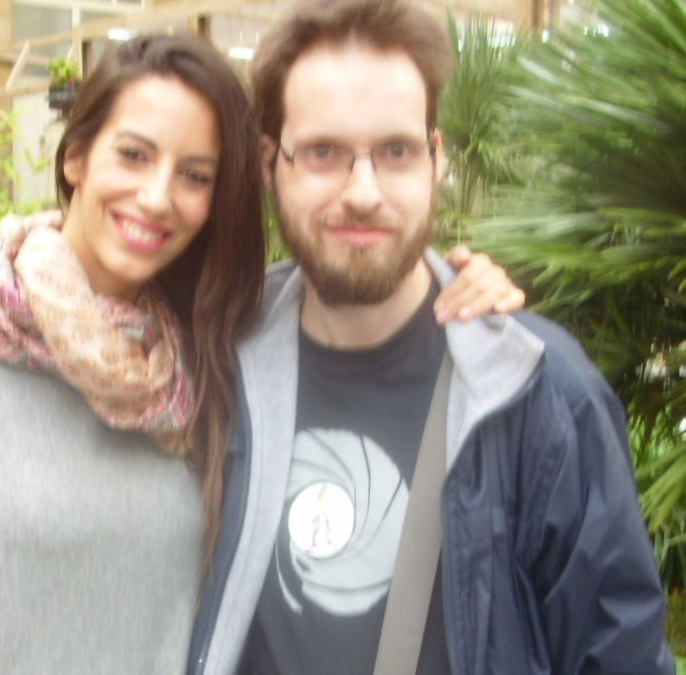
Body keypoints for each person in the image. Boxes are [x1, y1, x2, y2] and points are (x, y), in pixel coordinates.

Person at [0, 31, 520, 674]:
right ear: (75, 157)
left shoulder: (212, 353)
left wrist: (458, 285)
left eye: (195, 175)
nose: (158, 197)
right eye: (133, 155)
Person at [187, 1, 675, 674]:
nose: (363, 192)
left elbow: (617, 654)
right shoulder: (214, 358)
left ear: (436, 159)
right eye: (324, 152)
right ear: (271, 164)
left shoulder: (538, 394)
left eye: (396, 151)